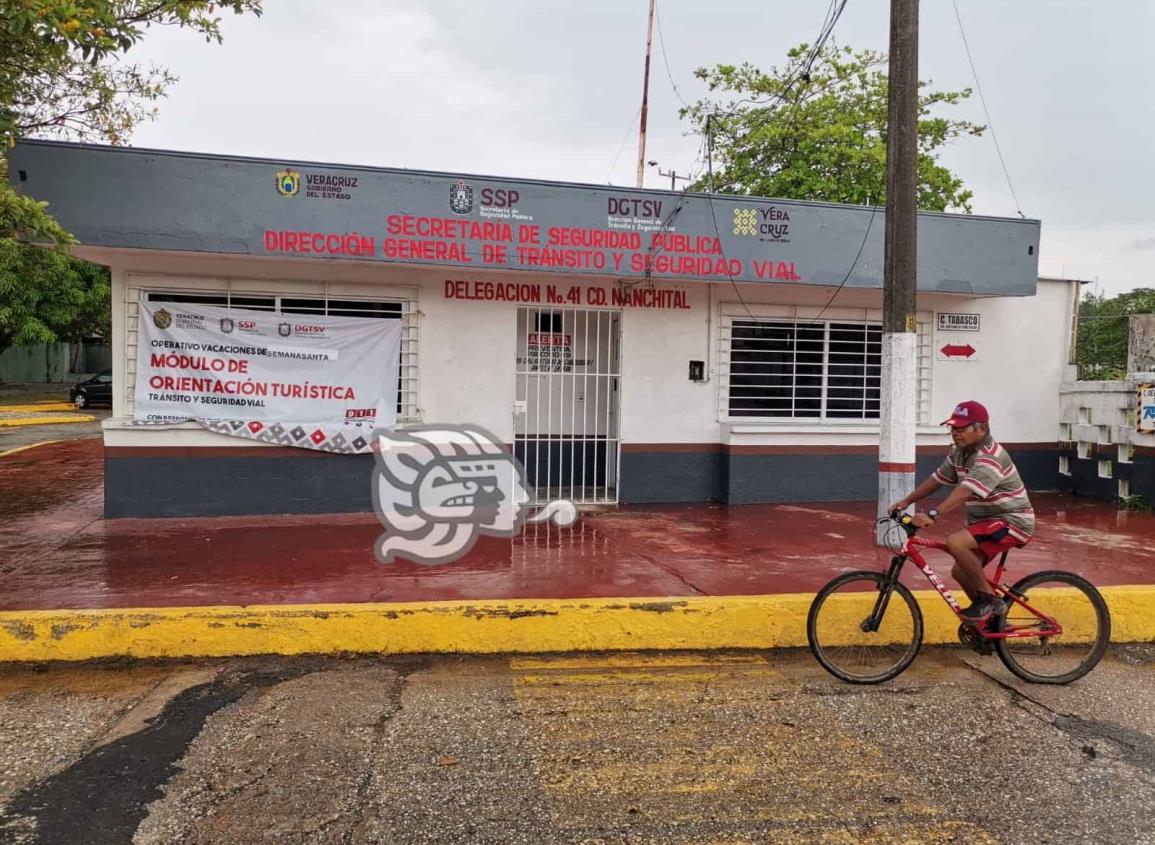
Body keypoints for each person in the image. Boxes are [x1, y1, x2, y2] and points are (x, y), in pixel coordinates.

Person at [888, 400, 1035, 623]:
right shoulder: (960, 453)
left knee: (955, 543)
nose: (955, 433)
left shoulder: (990, 457)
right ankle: (991, 624)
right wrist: (906, 501)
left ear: (982, 429)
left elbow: (966, 491)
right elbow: (937, 480)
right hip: (986, 523)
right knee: (959, 572)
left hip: (1011, 521)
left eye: (961, 428)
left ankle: (990, 601)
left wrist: (933, 515)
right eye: (953, 428)